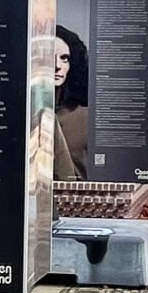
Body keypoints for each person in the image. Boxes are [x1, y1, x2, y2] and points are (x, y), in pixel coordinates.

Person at [52, 25, 92, 180]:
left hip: (76, 198)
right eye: (50, 56)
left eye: (64, 58)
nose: (57, 66)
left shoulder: (84, 116)